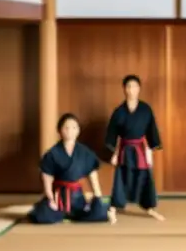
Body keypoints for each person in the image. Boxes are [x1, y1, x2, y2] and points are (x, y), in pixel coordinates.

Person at [29, 113, 116, 225]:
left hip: (78, 198)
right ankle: (61, 213)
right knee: (42, 215)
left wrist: (97, 196)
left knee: (99, 211)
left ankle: (73, 214)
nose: (70, 130)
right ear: (59, 130)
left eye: (74, 127)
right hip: (58, 197)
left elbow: (92, 175)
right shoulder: (52, 153)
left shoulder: (85, 152)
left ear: (78, 130)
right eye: (66, 127)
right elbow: (47, 178)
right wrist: (50, 198)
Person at [106, 75, 165, 221]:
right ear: (124, 89)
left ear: (139, 89)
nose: (131, 90)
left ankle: (149, 207)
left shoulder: (146, 110)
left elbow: (152, 131)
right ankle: (114, 205)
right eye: (128, 86)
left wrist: (150, 151)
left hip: (140, 149)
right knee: (121, 177)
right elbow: (112, 133)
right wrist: (114, 153)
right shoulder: (119, 111)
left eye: (134, 86)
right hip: (124, 148)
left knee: (144, 176)